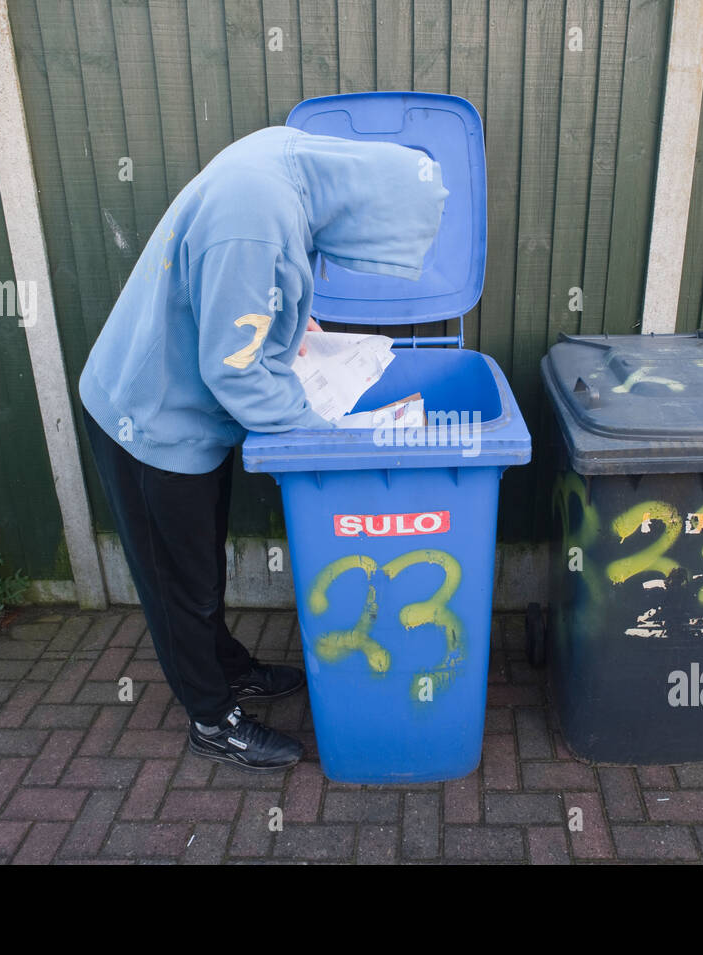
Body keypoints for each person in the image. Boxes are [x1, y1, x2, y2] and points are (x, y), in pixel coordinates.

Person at [77, 125, 449, 772]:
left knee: (203, 567)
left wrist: (292, 321)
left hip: (186, 410)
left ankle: (227, 666)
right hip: (150, 418)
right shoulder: (254, 211)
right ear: (369, 211)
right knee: (179, 585)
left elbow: (246, 292)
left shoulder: (293, 165)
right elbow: (233, 369)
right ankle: (211, 718)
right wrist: (324, 434)